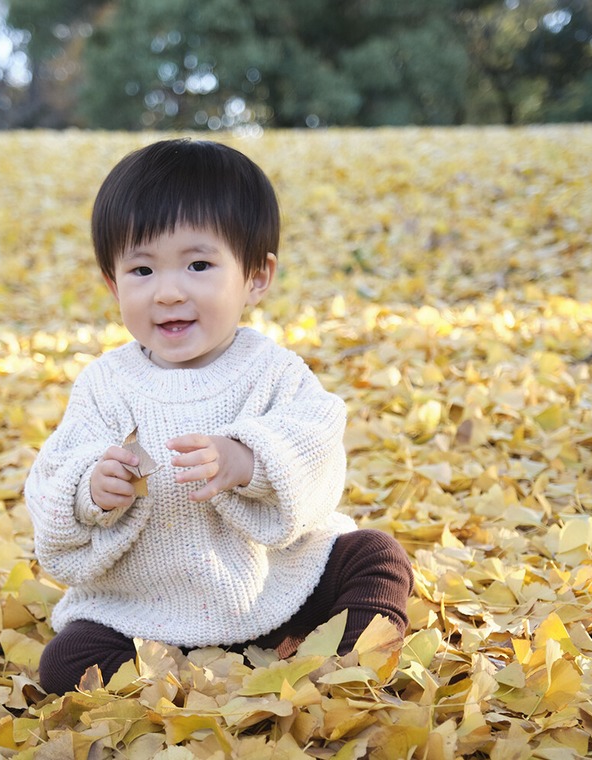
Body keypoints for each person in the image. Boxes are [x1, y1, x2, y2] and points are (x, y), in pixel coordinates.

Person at [24, 138, 413, 694]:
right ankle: (188, 688)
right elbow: (50, 482)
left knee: (376, 556)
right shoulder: (105, 386)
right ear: (112, 282)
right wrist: (89, 489)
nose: (169, 292)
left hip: (279, 592)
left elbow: (318, 445)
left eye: (199, 264)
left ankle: (341, 666)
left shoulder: (272, 371)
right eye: (141, 270)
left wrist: (249, 460)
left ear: (256, 276)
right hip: (146, 613)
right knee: (68, 661)